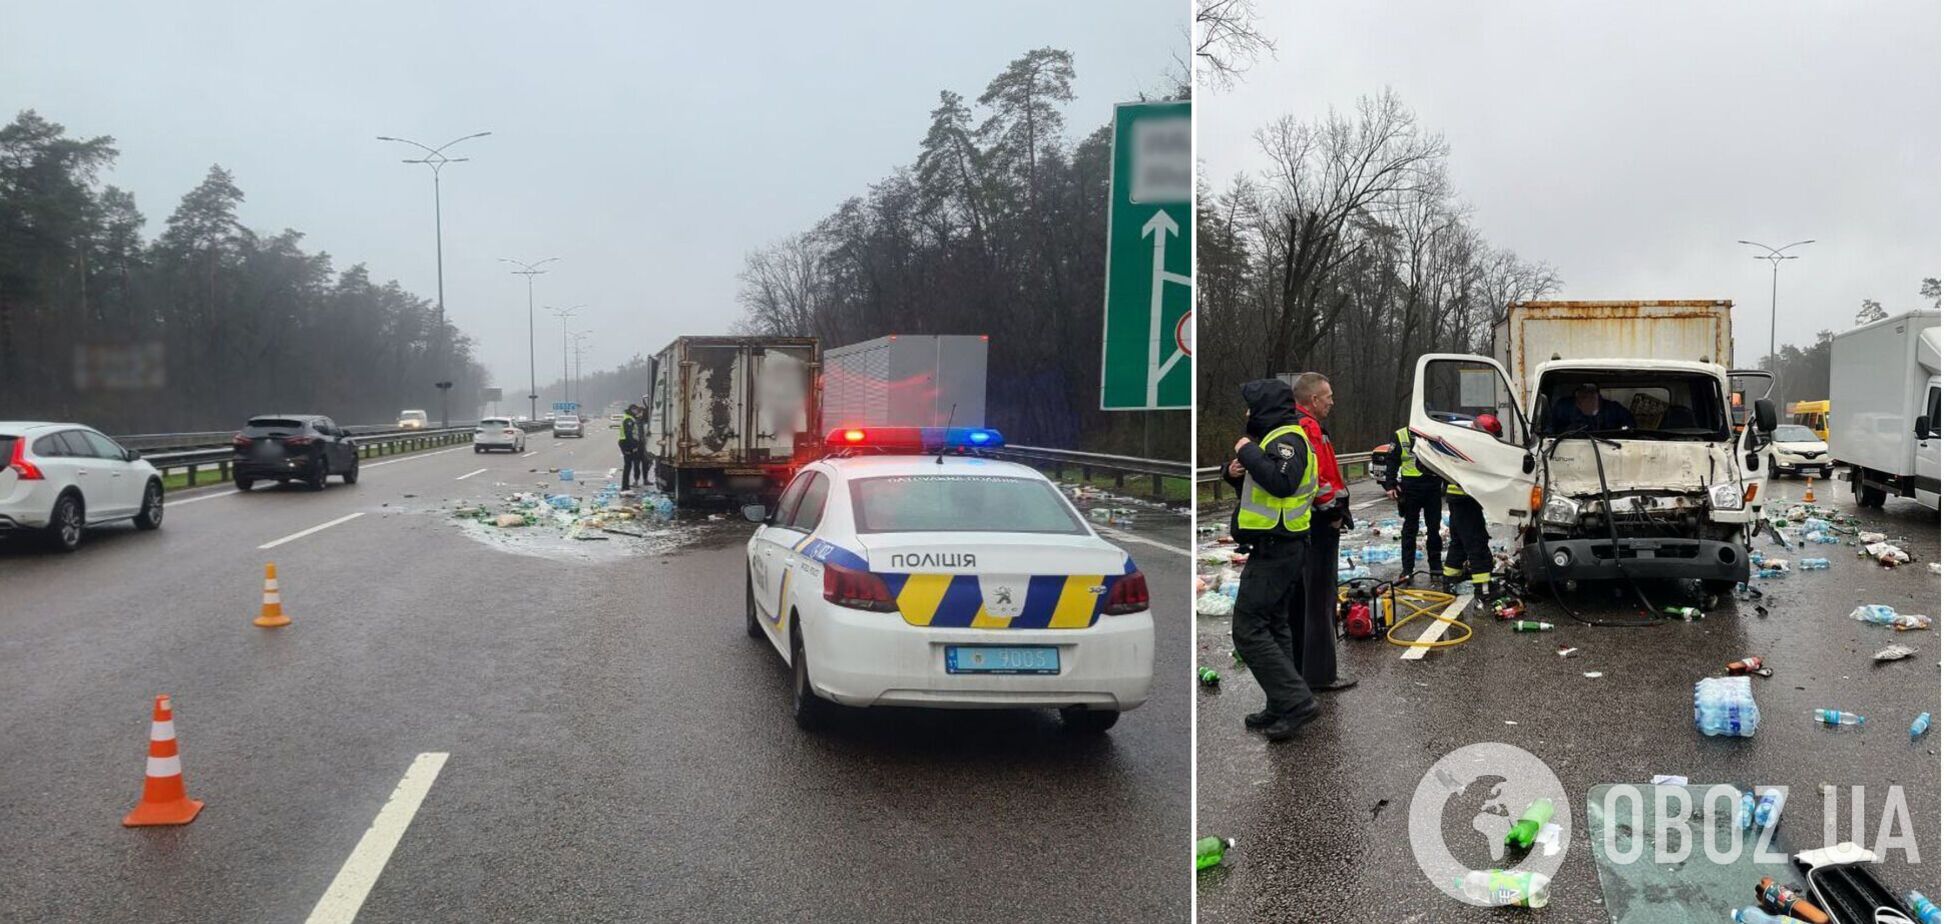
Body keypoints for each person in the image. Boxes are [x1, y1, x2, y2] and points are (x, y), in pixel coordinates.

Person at [1222, 378, 1321, 742]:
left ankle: (1296, 701)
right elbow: (1259, 488)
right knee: (1276, 624)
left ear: (1264, 408)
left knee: (1247, 630)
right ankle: (1281, 703)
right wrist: (1232, 471)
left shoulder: (1287, 439)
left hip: (1279, 549)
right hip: (1277, 546)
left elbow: (1282, 484)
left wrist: (1247, 452)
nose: (1247, 413)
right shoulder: (1273, 440)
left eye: (1251, 406)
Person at [1289, 372, 1356, 692]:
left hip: (1305, 524)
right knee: (1320, 600)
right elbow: (1317, 477)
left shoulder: (1295, 424)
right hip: (1319, 524)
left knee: (1305, 599)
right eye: (1327, 395)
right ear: (1313, 400)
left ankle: (1302, 669)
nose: (1332, 400)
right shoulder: (1308, 429)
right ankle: (1320, 674)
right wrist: (1332, 511)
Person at [1442, 413, 1502, 605]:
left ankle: (1450, 579)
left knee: (1459, 541)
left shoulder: (1462, 442)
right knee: (1477, 541)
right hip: (1466, 499)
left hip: (1458, 499)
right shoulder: (1476, 448)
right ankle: (1483, 588)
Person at [1380, 423, 1444, 586]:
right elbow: (1392, 461)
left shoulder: (1433, 433)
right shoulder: (1400, 435)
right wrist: (1390, 484)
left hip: (1432, 486)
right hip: (1410, 488)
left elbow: (1443, 458)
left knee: (1434, 528)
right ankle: (1407, 569)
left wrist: (1446, 483)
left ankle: (1435, 567)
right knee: (1410, 529)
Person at [1549, 382, 1635, 433]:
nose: (1587, 397)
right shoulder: (1563, 408)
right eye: (1583, 394)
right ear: (1576, 394)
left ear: (1598, 395)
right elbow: (1549, 433)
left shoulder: (1614, 410)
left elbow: (1631, 429)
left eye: (1592, 393)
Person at [619, 403, 643, 491]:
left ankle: (626, 486)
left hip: (627, 443)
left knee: (629, 465)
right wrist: (633, 447)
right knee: (628, 466)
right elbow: (628, 434)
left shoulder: (630, 418)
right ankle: (625, 486)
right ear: (632, 410)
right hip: (626, 444)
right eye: (636, 410)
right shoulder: (628, 419)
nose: (637, 412)